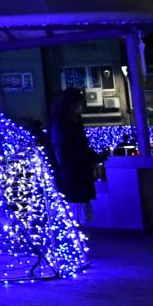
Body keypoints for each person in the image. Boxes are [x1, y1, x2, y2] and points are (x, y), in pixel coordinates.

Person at [48, 87, 97, 222]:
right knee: (74, 202)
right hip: (71, 169)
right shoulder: (63, 121)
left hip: (74, 169)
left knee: (76, 201)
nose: (81, 106)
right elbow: (59, 146)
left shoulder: (68, 120)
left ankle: (78, 229)